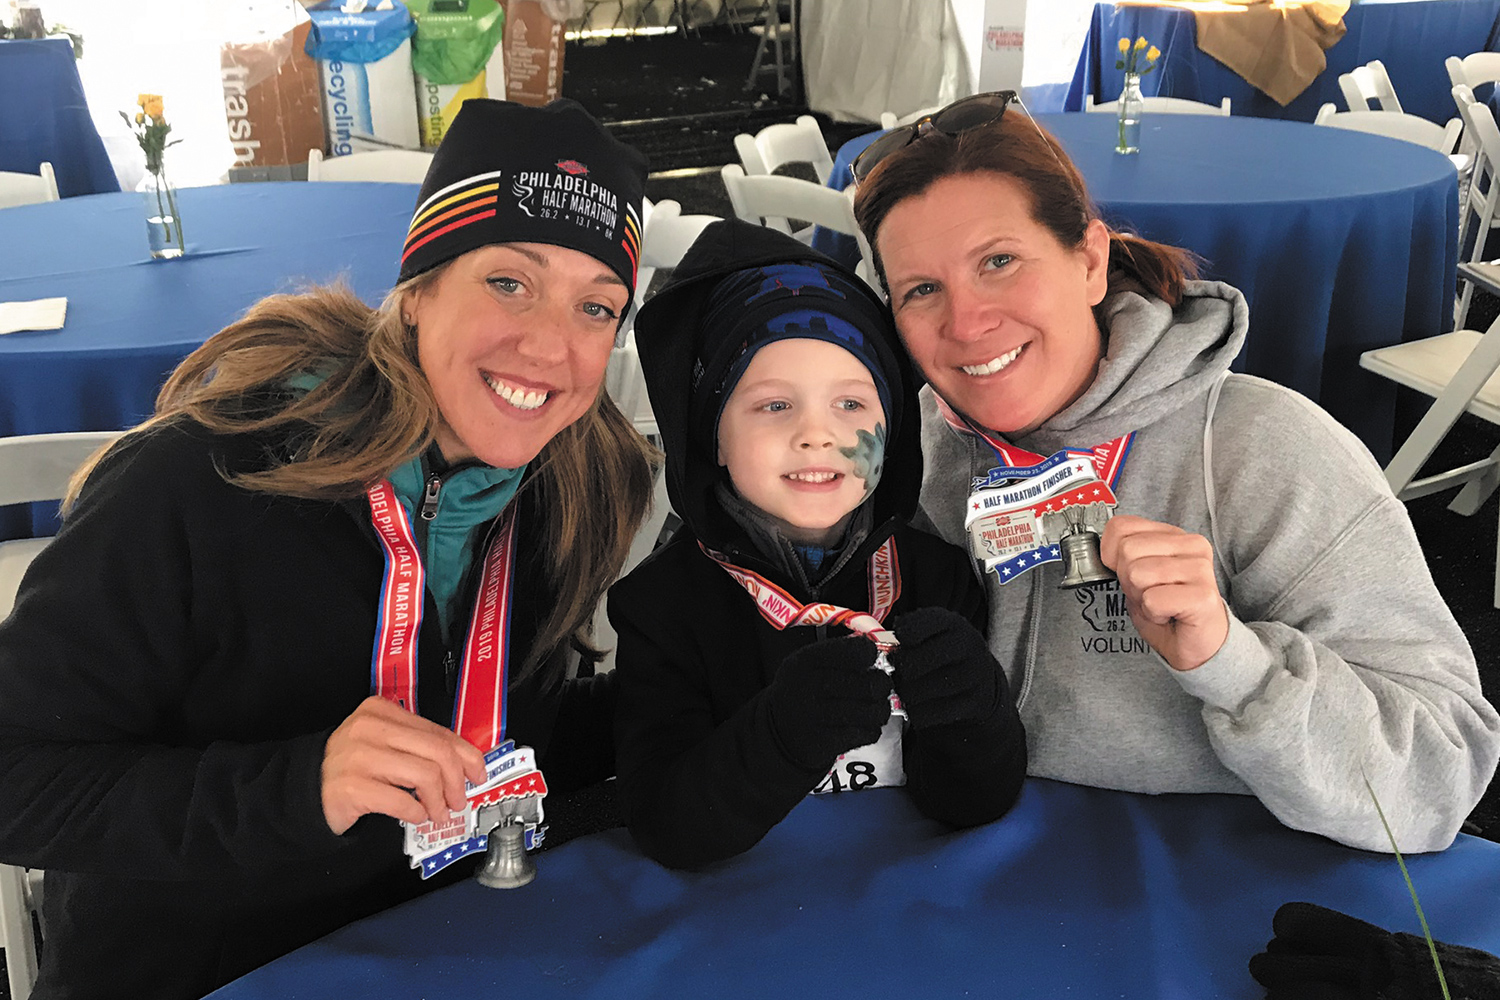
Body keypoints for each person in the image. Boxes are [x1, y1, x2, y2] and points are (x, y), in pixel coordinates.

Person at [0, 99, 656, 1000]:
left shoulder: (567, 488)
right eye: (510, 281)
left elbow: (512, 738)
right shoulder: (204, 480)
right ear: (418, 287)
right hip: (198, 974)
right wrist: (297, 787)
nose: (551, 345)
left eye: (596, 307)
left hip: (440, 947)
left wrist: (701, 678)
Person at [848, 92, 1500, 854]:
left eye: (999, 261)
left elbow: (1440, 774)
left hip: (1213, 892)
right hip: (945, 873)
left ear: (1090, 259)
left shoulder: (1263, 450)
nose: (965, 323)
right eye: (921, 290)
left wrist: (1233, 663)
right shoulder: (891, 453)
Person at [609, 219, 1026, 871]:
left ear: (895, 428)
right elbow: (666, 827)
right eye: (774, 405)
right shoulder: (661, 607)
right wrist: (778, 736)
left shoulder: (938, 580)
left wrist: (975, 715)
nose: (817, 435)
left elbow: (970, 803)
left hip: (905, 915)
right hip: (744, 927)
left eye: (852, 405)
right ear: (712, 435)